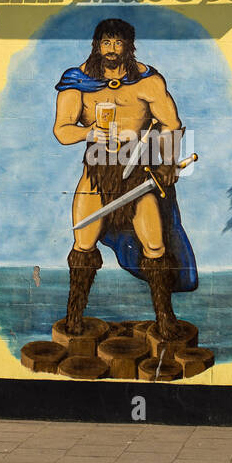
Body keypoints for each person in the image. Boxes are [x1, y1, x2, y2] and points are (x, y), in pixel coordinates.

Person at [53, 18, 197, 339]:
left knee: (155, 246)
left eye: (118, 44)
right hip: (97, 171)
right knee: (83, 244)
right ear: (97, 45)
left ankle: (165, 319)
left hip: (137, 171)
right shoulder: (78, 81)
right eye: (106, 43)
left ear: (128, 46)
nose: (112, 50)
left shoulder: (148, 82)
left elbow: (171, 124)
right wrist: (89, 131)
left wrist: (167, 161)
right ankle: (74, 317)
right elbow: (61, 130)